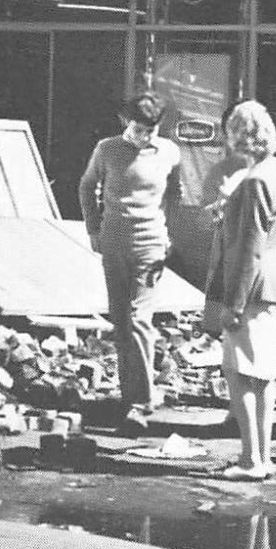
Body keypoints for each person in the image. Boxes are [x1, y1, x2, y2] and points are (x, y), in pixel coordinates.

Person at [79, 92, 182, 432]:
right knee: (121, 321)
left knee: (139, 318)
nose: (144, 136)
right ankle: (129, 395)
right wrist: (93, 228)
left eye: (151, 129)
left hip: (150, 245)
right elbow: (87, 185)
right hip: (113, 243)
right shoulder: (107, 149)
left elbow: (173, 194)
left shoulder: (168, 151)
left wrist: (167, 231)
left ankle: (140, 402)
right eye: (139, 128)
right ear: (126, 122)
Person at [214, 100, 276, 481]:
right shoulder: (275, 175)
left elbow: (249, 248)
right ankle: (263, 457)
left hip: (255, 286)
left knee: (239, 371)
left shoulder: (255, 181)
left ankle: (250, 459)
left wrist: (234, 303)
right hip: (275, 282)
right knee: (263, 377)